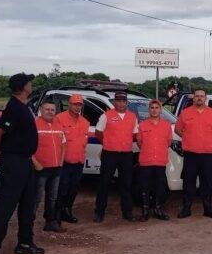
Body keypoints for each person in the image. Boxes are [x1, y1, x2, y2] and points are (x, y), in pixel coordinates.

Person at [0, 73, 44, 254]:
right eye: (29, 82)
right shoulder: (14, 107)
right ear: (22, 86)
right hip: (14, 163)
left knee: (28, 204)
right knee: (6, 207)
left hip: (25, 162)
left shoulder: (23, 106)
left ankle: (25, 242)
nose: (31, 84)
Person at [174, 89, 212, 219]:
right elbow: (178, 129)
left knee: (207, 183)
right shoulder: (185, 113)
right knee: (188, 182)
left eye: (202, 96)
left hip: (208, 154)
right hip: (191, 154)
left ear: (205, 98)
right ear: (193, 98)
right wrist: (189, 137)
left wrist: (206, 139)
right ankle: (186, 209)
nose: (199, 98)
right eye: (197, 96)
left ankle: (208, 209)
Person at [94, 91, 138, 222]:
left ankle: (127, 212)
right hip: (110, 154)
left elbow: (135, 134)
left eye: (123, 101)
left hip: (126, 154)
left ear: (126, 102)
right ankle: (99, 212)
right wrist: (108, 143)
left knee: (126, 184)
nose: (121, 103)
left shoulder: (132, 116)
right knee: (104, 183)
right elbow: (98, 133)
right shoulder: (106, 116)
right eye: (118, 100)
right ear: (114, 102)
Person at [136, 99, 173, 221]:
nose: (154, 110)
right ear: (149, 110)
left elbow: (168, 142)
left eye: (157, 108)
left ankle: (158, 209)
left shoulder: (167, 125)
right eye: (152, 108)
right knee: (144, 186)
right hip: (146, 160)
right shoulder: (142, 125)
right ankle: (145, 210)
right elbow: (140, 143)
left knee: (160, 186)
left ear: (160, 110)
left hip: (160, 161)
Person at [55, 94, 89, 224]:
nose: (77, 107)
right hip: (64, 161)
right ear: (69, 104)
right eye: (75, 104)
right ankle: (56, 214)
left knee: (73, 188)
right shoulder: (59, 119)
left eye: (79, 104)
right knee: (61, 189)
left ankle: (67, 211)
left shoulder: (85, 122)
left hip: (78, 161)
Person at [33, 100, 66, 232]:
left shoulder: (58, 124)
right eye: (47, 109)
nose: (50, 112)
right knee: (36, 198)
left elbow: (63, 144)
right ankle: (28, 225)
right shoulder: (34, 124)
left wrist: (61, 162)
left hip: (56, 168)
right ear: (41, 110)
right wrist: (35, 163)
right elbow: (27, 147)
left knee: (52, 197)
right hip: (40, 169)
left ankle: (50, 222)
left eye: (52, 110)